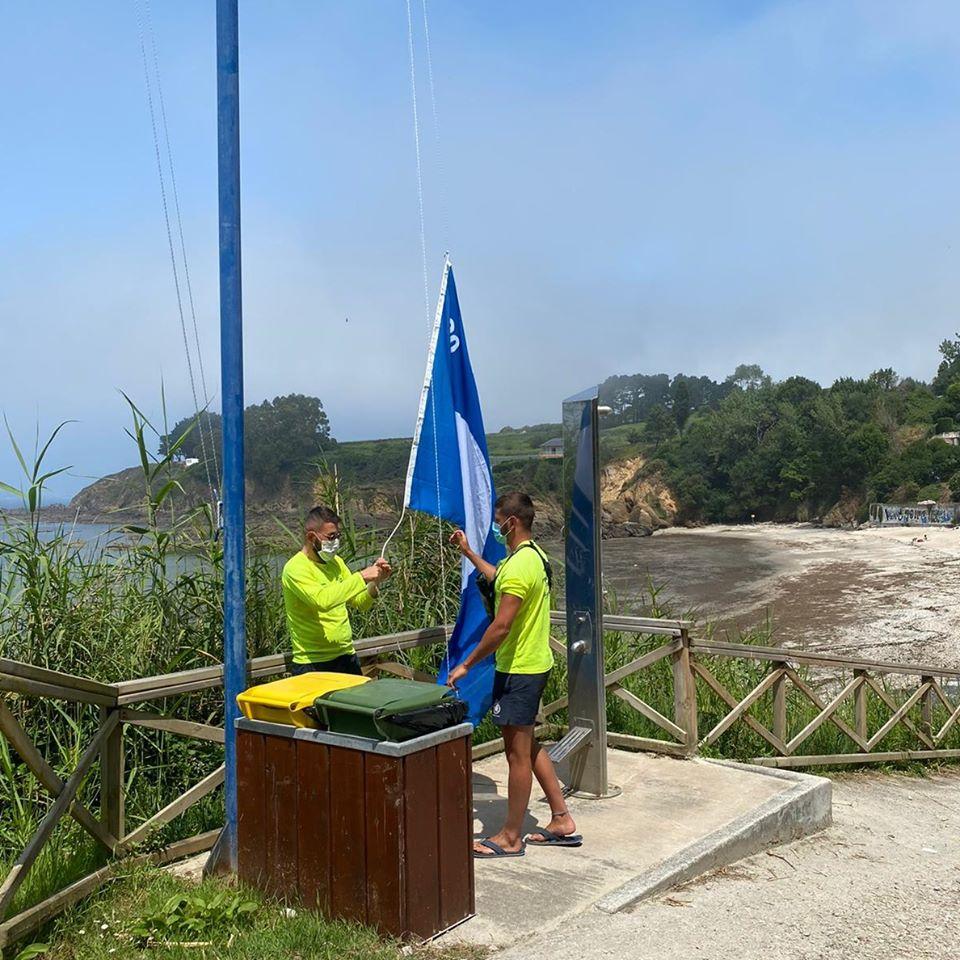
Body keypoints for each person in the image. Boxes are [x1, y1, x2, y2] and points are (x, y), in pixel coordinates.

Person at [448, 491, 581, 858]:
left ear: (511, 521)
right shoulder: (528, 557)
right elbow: (499, 579)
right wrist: (471, 554)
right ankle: (561, 818)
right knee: (525, 744)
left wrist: (466, 663)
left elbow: (501, 626)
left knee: (515, 755)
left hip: (520, 669)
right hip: (529, 664)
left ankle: (510, 837)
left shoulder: (521, 565)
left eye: (497, 519)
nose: (495, 524)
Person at [282, 505, 392, 676]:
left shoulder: (337, 563)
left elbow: (360, 603)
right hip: (313, 663)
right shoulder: (295, 568)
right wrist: (361, 576)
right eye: (331, 537)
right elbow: (322, 601)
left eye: (337, 536)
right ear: (311, 537)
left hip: (346, 656)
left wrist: (375, 582)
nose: (335, 542)